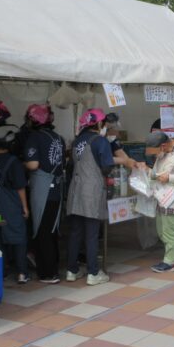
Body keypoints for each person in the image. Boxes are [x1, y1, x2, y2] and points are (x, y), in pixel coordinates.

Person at [66, 108, 114, 285]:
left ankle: (72, 270)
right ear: (99, 123)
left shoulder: (77, 141)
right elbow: (107, 166)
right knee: (92, 233)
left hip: (75, 189)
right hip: (91, 190)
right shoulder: (100, 141)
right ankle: (93, 273)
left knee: (75, 232)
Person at [23, 104, 66, 284]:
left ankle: (47, 273)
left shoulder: (35, 137)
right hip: (57, 188)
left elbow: (33, 164)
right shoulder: (59, 137)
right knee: (52, 229)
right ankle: (54, 268)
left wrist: (21, 163)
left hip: (42, 189)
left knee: (41, 230)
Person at [0, 126, 30, 284]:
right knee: (19, 236)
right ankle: (22, 273)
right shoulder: (14, 161)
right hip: (10, 204)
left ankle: (1, 271)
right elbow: (20, 187)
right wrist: (25, 207)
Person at [144, 132, 174, 272]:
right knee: (162, 231)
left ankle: (170, 262)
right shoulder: (162, 153)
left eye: (156, 152)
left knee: (169, 232)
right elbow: (156, 173)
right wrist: (146, 171)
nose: (156, 155)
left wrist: (170, 178)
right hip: (161, 197)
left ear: (163, 145)